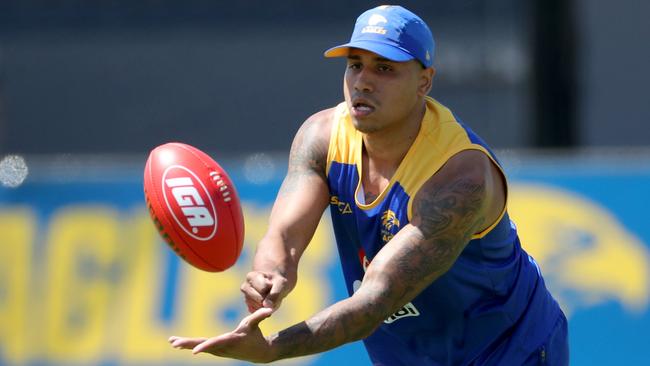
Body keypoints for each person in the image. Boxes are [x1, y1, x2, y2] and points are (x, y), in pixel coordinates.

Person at [169, 5, 569, 365]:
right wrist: (269, 276)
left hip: (509, 349)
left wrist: (273, 348)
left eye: (384, 68)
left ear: (424, 82)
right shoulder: (321, 137)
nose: (362, 81)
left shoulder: (459, 176)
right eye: (355, 64)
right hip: (411, 354)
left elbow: (376, 301)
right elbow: (284, 238)